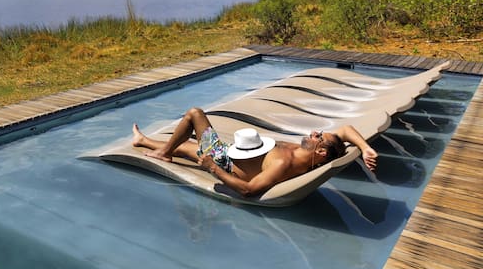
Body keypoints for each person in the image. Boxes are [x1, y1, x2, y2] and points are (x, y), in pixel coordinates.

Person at [131, 107, 378, 197]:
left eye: (318, 137)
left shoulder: (285, 163)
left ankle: (162, 152)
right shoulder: (309, 152)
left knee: (195, 114)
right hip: (233, 153)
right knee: (188, 148)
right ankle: (144, 141)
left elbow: (248, 191)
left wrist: (213, 167)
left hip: (226, 162)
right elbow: (345, 131)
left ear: (322, 152)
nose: (314, 132)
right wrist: (366, 148)